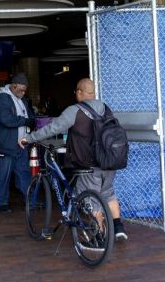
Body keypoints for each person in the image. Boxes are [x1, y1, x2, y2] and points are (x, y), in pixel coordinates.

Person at [19, 78, 128, 241]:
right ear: (94, 93)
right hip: (110, 161)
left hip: (88, 164)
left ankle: (98, 237)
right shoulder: (105, 109)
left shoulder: (75, 110)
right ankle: (118, 228)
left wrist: (30, 138)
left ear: (79, 92)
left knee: (91, 200)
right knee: (108, 194)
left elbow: (53, 128)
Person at [0, 73, 36, 213]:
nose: (23, 93)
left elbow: (29, 115)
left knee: (24, 174)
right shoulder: (2, 100)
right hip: (6, 146)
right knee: (4, 176)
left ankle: (30, 200)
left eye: (25, 90)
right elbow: (6, 119)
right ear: (13, 86)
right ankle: (2, 202)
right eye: (20, 90)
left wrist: (31, 121)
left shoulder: (22, 99)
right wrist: (25, 121)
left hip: (21, 144)